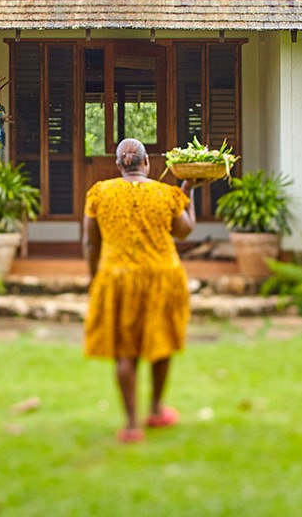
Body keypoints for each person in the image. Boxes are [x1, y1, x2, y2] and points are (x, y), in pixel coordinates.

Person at [82, 137, 209, 443]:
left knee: (125, 351)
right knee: (160, 342)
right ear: (147, 163)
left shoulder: (100, 192)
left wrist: (94, 276)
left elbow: (89, 241)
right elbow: (184, 231)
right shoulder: (165, 194)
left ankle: (130, 425)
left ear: (118, 165)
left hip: (117, 277)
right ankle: (156, 409)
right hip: (162, 276)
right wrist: (186, 191)